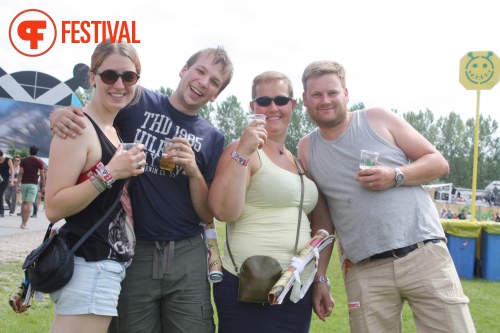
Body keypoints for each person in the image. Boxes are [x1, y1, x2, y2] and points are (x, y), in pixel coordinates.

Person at [49, 47, 234, 333]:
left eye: (214, 82)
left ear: (216, 94)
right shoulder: (139, 99)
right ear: (184, 70)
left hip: (186, 250)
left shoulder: (213, 136)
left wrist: (194, 171)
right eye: (200, 71)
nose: (203, 82)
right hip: (135, 250)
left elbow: (207, 212)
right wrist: (59, 114)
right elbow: (98, 110)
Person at [297, 60, 476, 333]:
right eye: (316, 95)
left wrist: (396, 175)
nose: (325, 100)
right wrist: (320, 277)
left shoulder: (377, 118)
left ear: (346, 94)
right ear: (305, 100)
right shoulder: (307, 148)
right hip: (364, 270)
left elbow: (438, 162)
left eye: (332, 92)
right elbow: (323, 220)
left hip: (422, 253)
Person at [208, 71, 334, 332]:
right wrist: (243, 152)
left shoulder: (297, 160)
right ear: (252, 106)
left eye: (280, 99)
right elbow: (223, 211)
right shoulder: (241, 149)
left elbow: (322, 223)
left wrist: (320, 277)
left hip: (295, 287)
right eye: (263, 101)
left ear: (293, 105)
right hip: (250, 283)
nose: (273, 107)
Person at [45, 40, 146, 333]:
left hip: (104, 266)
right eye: (109, 75)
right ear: (92, 77)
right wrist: (110, 173)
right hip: (90, 264)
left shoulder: (112, 129)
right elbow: (53, 207)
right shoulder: (78, 127)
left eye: (128, 77)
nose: (119, 84)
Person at [16, 146, 45, 228]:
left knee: (23, 203)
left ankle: (22, 222)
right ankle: (25, 224)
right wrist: (44, 186)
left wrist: (17, 185)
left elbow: (20, 173)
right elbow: (42, 175)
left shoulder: (24, 160)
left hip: (24, 183)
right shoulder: (39, 161)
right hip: (33, 184)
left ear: (29, 151)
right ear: (37, 152)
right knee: (30, 203)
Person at [0, 150, 15, 217]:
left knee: (0, 194)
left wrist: (11, 180)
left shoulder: (8, 160)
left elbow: (12, 170)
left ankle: (1, 211)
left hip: (5, 179)